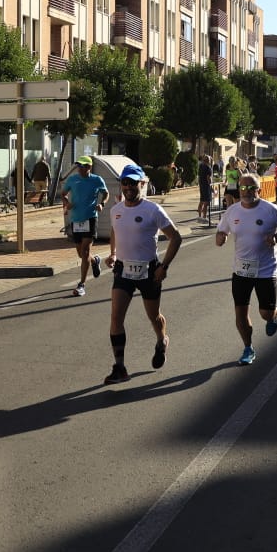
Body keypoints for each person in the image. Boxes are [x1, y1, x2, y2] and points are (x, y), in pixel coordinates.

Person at [101, 164, 182, 385]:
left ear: (142, 184)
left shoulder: (152, 210)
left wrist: (164, 267)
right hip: (123, 270)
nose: (128, 187)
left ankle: (161, 340)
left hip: (149, 271)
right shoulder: (116, 210)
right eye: (125, 183)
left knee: (153, 316)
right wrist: (113, 253)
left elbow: (176, 238)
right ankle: (120, 368)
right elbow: (115, 230)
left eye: (133, 183)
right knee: (116, 317)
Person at [216, 172, 277, 364]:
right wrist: (221, 237)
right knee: (240, 312)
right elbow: (221, 230)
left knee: (265, 313)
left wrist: (276, 237)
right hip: (241, 269)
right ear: (239, 189)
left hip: (266, 269)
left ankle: (273, 315)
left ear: (258, 190)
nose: (247, 191)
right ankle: (248, 348)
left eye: (251, 188)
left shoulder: (270, 209)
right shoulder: (232, 211)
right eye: (243, 187)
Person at [61, 154, 109, 296]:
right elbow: (63, 194)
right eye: (78, 166)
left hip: (90, 218)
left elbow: (106, 193)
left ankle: (81, 284)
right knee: (81, 254)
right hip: (76, 219)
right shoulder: (72, 179)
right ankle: (95, 261)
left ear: (89, 167)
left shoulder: (97, 180)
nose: (80, 168)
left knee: (85, 251)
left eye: (83, 166)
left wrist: (102, 204)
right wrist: (67, 203)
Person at [196, 154, 215, 226]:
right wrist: (211, 187)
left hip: (201, 185)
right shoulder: (208, 168)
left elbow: (199, 176)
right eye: (210, 160)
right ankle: (204, 217)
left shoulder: (201, 166)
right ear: (208, 161)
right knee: (206, 202)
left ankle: (199, 217)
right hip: (206, 186)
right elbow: (208, 178)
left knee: (201, 201)